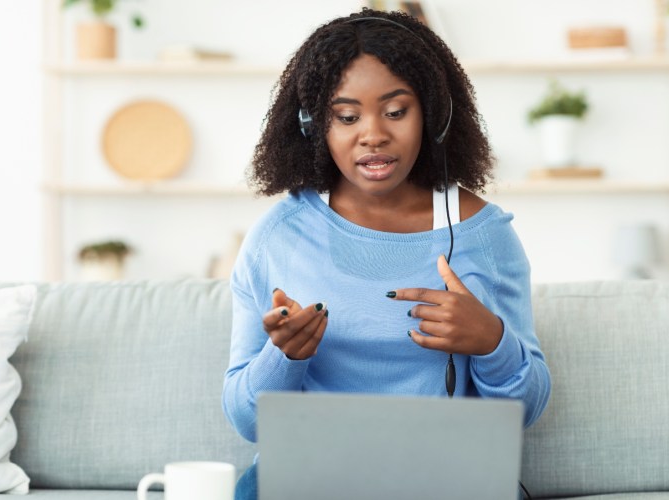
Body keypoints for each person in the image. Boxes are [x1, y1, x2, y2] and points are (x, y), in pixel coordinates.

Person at [222, 8, 551, 498]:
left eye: (396, 112)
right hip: (309, 478)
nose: (373, 134)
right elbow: (247, 421)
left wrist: (492, 342)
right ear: (314, 125)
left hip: (445, 478)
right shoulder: (278, 238)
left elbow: (526, 410)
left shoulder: (484, 236)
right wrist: (283, 357)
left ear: (434, 116)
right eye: (347, 117)